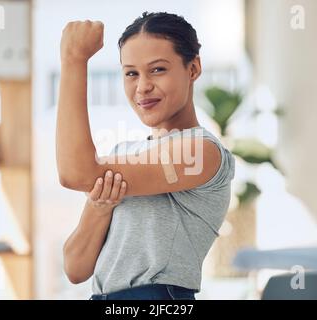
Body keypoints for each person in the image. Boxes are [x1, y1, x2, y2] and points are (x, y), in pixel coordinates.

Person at [57, 11, 235, 300]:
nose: (142, 87)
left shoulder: (201, 151)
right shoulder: (123, 155)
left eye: (157, 70)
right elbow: (75, 268)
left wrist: (73, 60)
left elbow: (74, 173)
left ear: (193, 69)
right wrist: (100, 209)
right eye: (131, 73)